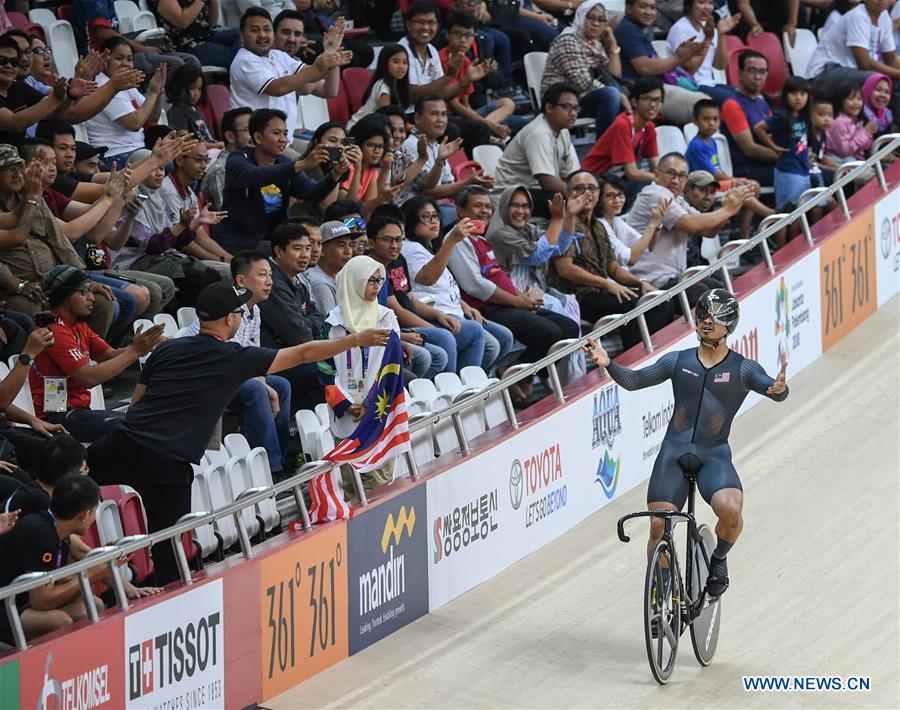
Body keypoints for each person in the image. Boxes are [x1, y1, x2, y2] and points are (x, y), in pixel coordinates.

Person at [88, 280, 390, 584]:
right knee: (171, 553)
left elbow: (137, 403)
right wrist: (355, 341)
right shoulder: (233, 357)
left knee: (73, 501)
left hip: (120, 444)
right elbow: (302, 354)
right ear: (229, 319)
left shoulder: (167, 349)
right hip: (166, 463)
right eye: (240, 313)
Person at [584, 288, 789, 600]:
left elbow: (773, 390)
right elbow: (635, 381)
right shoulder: (677, 361)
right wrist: (608, 362)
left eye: (715, 317)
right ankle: (660, 591)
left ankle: (718, 560)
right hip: (673, 453)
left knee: (731, 511)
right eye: (703, 314)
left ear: (729, 325)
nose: (707, 321)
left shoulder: (743, 369)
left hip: (713, 455)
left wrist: (778, 390)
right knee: (658, 526)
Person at [0, 474, 160, 645]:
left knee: (94, 605)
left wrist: (129, 589)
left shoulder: (58, 525)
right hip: (6, 606)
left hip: (22, 602)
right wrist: (91, 574)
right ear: (85, 514)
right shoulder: (40, 534)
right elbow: (42, 601)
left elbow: (90, 559)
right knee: (59, 621)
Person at [182, 251, 293, 475]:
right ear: (241, 281)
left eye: (271, 275)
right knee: (254, 388)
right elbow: (232, 364)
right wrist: (263, 385)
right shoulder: (228, 309)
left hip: (231, 374)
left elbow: (254, 358)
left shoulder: (255, 310)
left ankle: (281, 458)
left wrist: (267, 384)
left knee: (280, 385)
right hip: (206, 377)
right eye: (262, 275)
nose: (270, 281)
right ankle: (269, 468)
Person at [29, 265, 165, 442]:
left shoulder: (78, 326)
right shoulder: (53, 330)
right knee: (136, 427)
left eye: (91, 290)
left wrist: (145, 346)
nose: (92, 297)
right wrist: (135, 350)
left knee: (148, 421)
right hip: (54, 417)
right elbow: (88, 378)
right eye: (84, 291)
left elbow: (109, 355)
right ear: (65, 296)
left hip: (77, 412)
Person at [0, 147, 117, 338]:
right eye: (8, 169)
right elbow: (17, 236)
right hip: (15, 286)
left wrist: (82, 279)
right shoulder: (31, 196)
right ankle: (41, 364)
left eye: (18, 168)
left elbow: (58, 238)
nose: (16, 174)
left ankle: (85, 356)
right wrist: (17, 284)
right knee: (30, 310)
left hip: (52, 277)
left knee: (101, 302)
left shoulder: (28, 195)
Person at [551, 170, 672, 349]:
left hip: (601, 291)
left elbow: (614, 269)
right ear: (569, 194)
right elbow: (565, 269)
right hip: (578, 297)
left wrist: (640, 283)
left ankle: (660, 352)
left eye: (591, 188)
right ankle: (634, 362)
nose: (587, 193)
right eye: (580, 188)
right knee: (633, 307)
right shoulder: (563, 223)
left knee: (660, 300)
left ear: (598, 194)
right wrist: (606, 284)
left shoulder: (600, 226)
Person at [401, 192, 518, 374]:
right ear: (411, 220)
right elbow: (428, 278)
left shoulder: (428, 246)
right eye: (426, 217)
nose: (434, 221)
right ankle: (462, 387)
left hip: (456, 311)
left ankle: (477, 378)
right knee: (484, 339)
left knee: (504, 337)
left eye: (436, 216)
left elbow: (446, 283)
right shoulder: (411, 248)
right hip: (435, 315)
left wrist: (464, 306)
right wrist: (452, 241)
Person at [317, 255, 401, 490]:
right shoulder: (332, 323)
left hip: (377, 411)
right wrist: (345, 404)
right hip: (345, 413)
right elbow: (325, 369)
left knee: (379, 485)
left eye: (379, 280)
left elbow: (392, 368)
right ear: (353, 281)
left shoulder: (386, 318)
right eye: (369, 280)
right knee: (352, 486)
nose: (375, 286)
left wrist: (371, 404)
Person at [213, 108, 345, 253]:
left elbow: (314, 194)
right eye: (277, 133)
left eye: (285, 133)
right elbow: (256, 176)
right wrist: (300, 165)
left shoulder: (284, 163)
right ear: (258, 137)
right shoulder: (238, 159)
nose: (283, 139)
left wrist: (335, 175)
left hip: (274, 241)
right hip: (239, 243)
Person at [369, 210, 486, 374]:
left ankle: (467, 387)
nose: (395, 246)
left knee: (475, 330)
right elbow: (398, 310)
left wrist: (438, 315)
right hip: (394, 327)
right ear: (371, 243)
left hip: (411, 322)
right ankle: (447, 393)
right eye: (387, 240)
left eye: (398, 239)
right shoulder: (372, 269)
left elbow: (410, 300)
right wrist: (432, 328)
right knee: (444, 338)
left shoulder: (398, 259)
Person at [106, 149, 223, 308]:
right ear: (137, 172)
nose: (160, 174)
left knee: (209, 276)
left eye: (161, 168)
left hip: (155, 258)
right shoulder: (131, 199)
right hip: (131, 262)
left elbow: (176, 239)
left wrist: (195, 222)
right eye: (152, 169)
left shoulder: (156, 198)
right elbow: (154, 246)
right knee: (197, 279)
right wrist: (181, 225)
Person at [626, 153, 751, 300]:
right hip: (651, 280)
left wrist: (729, 209)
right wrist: (728, 209)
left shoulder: (677, 199)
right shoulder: (655, 194)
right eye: (671, 173)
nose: (675, 180)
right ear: (657, 173)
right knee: (706, 294)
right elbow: (692, 225)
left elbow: (708, 232)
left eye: (681, 176)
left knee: (718, 286)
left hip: (673, 276)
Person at [228, 8, 349, 139]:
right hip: (257, 142)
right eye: (255, 30)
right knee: (323, 154)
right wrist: (319, 67)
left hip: (283, 139)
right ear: (242, 36)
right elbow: (277, 88)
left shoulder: (279, 56)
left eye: (266, 29)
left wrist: (331, 56)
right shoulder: (245, 60)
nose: (262, 35)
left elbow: (320, 82)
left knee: (338, 147)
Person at [399, 1, 491, 151]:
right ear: (408, 25)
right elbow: (413, 95)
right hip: (407, 116)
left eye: (431, 22)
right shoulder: (402, 51)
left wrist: (464, 82)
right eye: (419, 22)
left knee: (480, 129)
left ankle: (475, 172)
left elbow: (441, 95)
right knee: (452, 131)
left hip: (427, 112)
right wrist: (448, 76)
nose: (426, 27)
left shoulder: (431, 50)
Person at [259, 224, 326, 409]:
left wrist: (307, 322)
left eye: (308, 248)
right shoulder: (272, 283)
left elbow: (320, 319)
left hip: (294, 356)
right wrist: (308, 323)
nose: (305, 254)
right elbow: (298, 335)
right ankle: (296, 422)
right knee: (328, 372)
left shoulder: (297, 280)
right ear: (279, 251)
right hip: (272, 364)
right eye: (297, 248)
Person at [486, 185, 581, 315]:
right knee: (558, 315)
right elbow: (537, 256)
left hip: (534, 294)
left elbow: (559, 247)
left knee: (570, 303)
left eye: (525, 206)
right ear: (504, 207)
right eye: (515, 205)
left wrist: (570, 215)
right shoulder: (499, 233)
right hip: (511, 300)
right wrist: (557, 219)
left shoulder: (529, 230)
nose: (520, 211)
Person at [614, 0, 711, 126]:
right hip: (643, 91)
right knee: (705, 106)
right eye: (643, 7)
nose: (649, 12)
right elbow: (644, 67)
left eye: (653, 8)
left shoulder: (636, 29)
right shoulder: (627, 29)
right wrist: (678, 58)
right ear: (629, 8)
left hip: (656, 87)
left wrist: (681, 55)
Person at [685, 99, 772, 237]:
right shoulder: (697, 145)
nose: (711, 123)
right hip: (704, 185)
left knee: (753, 185)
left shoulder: (711, 141)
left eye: (715, 119)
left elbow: (718, 170)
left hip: (715, 182)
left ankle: (745, 233)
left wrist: (736, 179)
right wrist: (735, 181)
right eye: (706, 119)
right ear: (695, 120)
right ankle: (771, 214)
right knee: (741, 189)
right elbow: (713, 174)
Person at [541, 1, 627, 140]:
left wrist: (613, 45)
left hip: (582, 99)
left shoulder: (595, 43)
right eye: (591, 17)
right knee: (611, 95)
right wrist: (619, 95)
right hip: (560, 102)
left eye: (601, 20)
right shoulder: (568, 39)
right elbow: (582, 82)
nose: (596, 23)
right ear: (580, 17)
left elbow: (614, 76)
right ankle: (603, 155)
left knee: (632, 97)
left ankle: (623, 155)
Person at [493, 83, 581, 218]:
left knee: (595, 193)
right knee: (563, 200)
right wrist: (577, 193)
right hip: (510, 196)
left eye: (576, 108)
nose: (573, 113)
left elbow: (572, 175)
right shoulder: (538, 132)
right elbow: (547, 182)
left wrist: (586, 189)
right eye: (567, 107)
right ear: (549, 108)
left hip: (533, 192)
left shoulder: (563, 132)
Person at [439, 11, 525, 140]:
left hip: (469, 113)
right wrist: (489, 125)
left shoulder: (466, 60)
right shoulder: (442, 59)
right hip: (450, 115)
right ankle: (490, 129)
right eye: (458, 34)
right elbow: (455, 106)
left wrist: (484, 122)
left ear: (474, 37)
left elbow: (465, 102)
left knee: (508, 103)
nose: (463, 40)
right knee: (498, 126)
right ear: (447, 35)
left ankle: (489, 130)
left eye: (468, 35)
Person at [396, 94, 492, 208]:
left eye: (443, 114)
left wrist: (475, 187)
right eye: (434, 114)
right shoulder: (412, 145)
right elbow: (428, 192)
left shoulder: (437, 146)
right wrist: (467, 183)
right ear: (417, 118)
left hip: (434, 210)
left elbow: (449, 187)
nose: (440, 120)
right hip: (413, 213)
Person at [84, 38, 166, 168]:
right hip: (114, 156)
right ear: (105, 59)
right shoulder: (102, 84)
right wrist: (153, 93)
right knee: (164, 163)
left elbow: (153, 117)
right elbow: (135, 123)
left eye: (129, 59)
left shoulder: (124, 83)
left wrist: (157, 91)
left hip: (135, 150)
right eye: (119, 58)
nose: (125, 64)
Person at [806, 0, 899, 113]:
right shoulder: (858, 16)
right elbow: (864, 64)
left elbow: (891, 60)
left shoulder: (884, 18)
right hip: (823, 73)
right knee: (877, 80)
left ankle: (888, 125)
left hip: (850, 71)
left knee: (892, 82)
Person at [157, 141, 233, 268]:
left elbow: (201, 238)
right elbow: (183, 243)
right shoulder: (168, 191)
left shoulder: (190, 193)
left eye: (206, 160)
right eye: (198, 160)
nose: (204, 166)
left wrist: (232, 260)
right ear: (180, 160)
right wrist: (220, 260)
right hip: (169, 255)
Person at [581, 76, 662, 190]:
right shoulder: (622, 125)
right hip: (593, 180)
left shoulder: (649, 127)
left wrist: (664, 178)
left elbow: (656, 167)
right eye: (648, 99)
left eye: (657, 100)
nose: (653, 105)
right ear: (634, 102)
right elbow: (632, 174)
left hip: (615, 179)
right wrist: (660, 178)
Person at [719, 50, 779, 186]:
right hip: (748, 169)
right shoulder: (732, 104)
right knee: (807, 177)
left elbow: (773, 137)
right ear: (739, 73)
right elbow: (749, 149)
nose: (758, 77)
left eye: (762, 72)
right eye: (752, 71)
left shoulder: (762, 103)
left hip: (768, 164)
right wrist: (786, 157)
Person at [666, 0, 740, 105]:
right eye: (701, 2)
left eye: (710, 3)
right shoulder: (680, 29)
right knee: (732, 100)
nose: (708, 7)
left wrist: (721, 34)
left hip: (710, 84)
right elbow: (690, 69)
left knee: (746, 96)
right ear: (689, 6)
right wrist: (708, 39)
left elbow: (720, 65)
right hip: (691, 85)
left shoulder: (708, 27)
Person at [753, 76, 812, 206]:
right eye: (793, 93)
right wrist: (773, 146)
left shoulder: (803, 116)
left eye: (802, 94)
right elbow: (759, 128)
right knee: (789, 213)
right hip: (788, 170)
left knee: (802, 211)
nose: (798, 98)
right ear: (785, 95)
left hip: (803, 169)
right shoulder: (782, 116)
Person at [594, 174, 668, 268]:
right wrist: (652, 224)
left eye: (620, 194)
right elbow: (631, 259)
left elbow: (649, 246)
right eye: (610, 196)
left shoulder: (617, 221)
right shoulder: (600, 225)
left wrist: (657, 224)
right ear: (599, 200)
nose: (617, 200)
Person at [151, 0, 242, 68]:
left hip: (207, 36)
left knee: (242, 34)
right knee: (238, 56)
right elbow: (183, 22)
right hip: (187, 46)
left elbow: (211, 23)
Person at [347, 43, 411, 130]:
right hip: (358, 129)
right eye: (396, 62)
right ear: (384, 63)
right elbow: (386, 119)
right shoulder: (383, 87)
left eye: (405, 62)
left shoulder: (398, 86)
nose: (401, 67)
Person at [201, 107, 252, 210]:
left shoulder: (251, 161)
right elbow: (228, 215)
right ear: (230, 136)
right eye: (248, 130)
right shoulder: (221, 170)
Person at [164, 64, 219, 148]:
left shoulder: (195, 111)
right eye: (192, 88)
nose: (196, 93)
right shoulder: (177, 113)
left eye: (199, 89)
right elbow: (186, 143)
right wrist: (216, 145)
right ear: (179, 87)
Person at [306, 219, 354, 316]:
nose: (348, 251)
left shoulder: (338, 276)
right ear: (322, 250)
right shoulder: (320, 283)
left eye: (350, 245)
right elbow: (329, 327)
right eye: (341, 245)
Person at [826, 81, 876, 164]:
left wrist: (869, 133)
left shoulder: (856, 122)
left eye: (859, 99)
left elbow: (866, 146)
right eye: (851, 99)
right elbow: (844, 151)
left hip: (856, 161)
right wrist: (865, 132)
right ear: (841, 101)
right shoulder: (838, 122)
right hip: (840, 162)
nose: (856, 103)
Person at [862, 73, 894, 137]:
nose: (883, 95)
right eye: (878, 90)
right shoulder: (858, 115)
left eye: (887, 92)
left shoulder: (887, 115)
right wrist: (864, 133)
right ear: (868, 90)